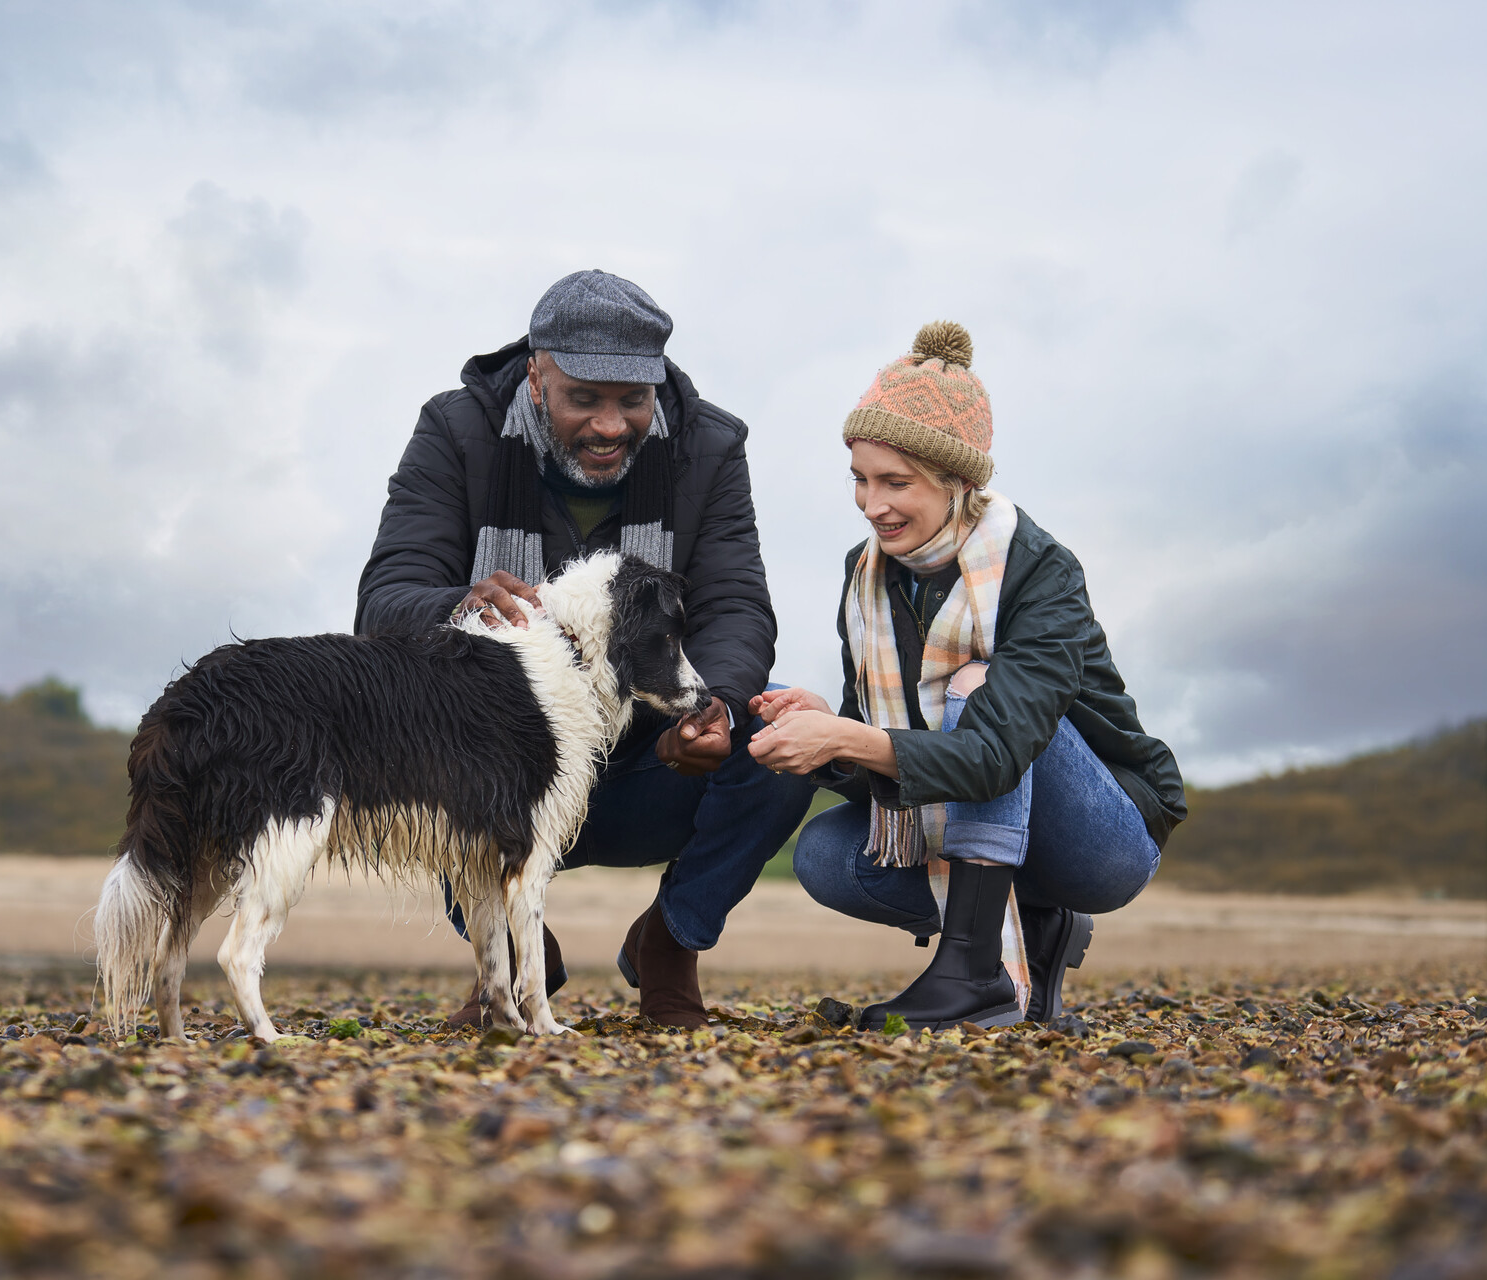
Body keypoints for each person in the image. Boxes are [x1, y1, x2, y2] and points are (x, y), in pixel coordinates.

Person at [356, 269, 813, 1028]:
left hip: (649, 754)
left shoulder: (711, 444)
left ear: (657, 385)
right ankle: (509, 954)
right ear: (536, 375)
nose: (610, 426)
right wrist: (459, 603)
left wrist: (720, 709)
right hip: (500, 761)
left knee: (783, 745)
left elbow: (734, 603)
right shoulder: (454, 430)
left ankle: (671, 942)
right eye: (585, 399)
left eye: (632, 401)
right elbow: (386, 599)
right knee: (410, 728)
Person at [747, 321, 1185, 1030]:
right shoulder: (865, 579)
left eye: (896, 482)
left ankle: (972, 970)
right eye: (859, 479)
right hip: (973, 817)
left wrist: (847, 737)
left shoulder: (1040, 570)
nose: (871, 504)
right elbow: (897, 764)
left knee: (976, 685)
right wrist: (830, 727)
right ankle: (1031, 932)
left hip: (1100, 837)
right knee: (826, 857)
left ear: (957, 482)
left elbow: (991, 756)